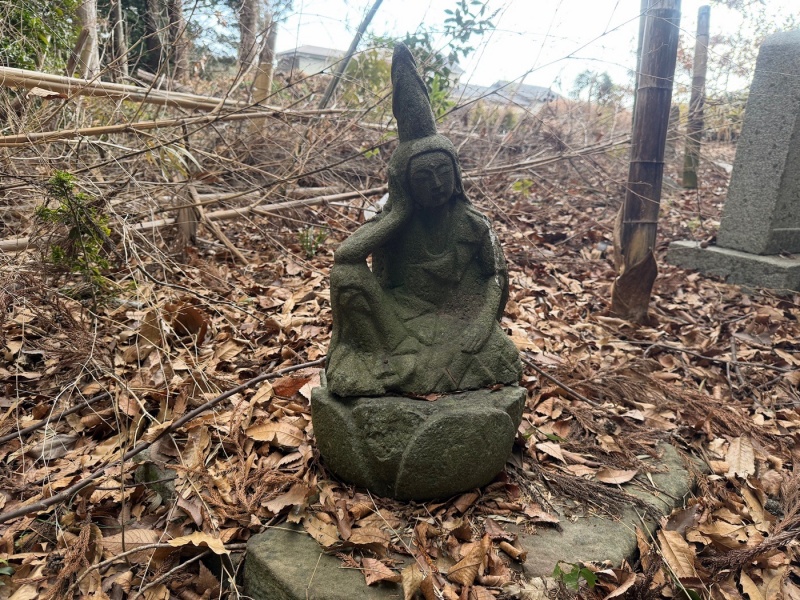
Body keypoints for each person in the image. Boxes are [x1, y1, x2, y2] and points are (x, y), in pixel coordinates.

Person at [326, 44, 521, 397]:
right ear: (405, 183)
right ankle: (379, 358)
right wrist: (398, 214)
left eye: (443, 172)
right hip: (396, 325)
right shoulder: (397, 220)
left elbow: (496, 275)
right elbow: (345, 257)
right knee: (346, 278)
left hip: (457, 324)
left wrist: (481, 323)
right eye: (423, 177)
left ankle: (396, 371)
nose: (435, 184)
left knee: (502, 357)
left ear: (456, 173)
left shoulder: (474, 223)